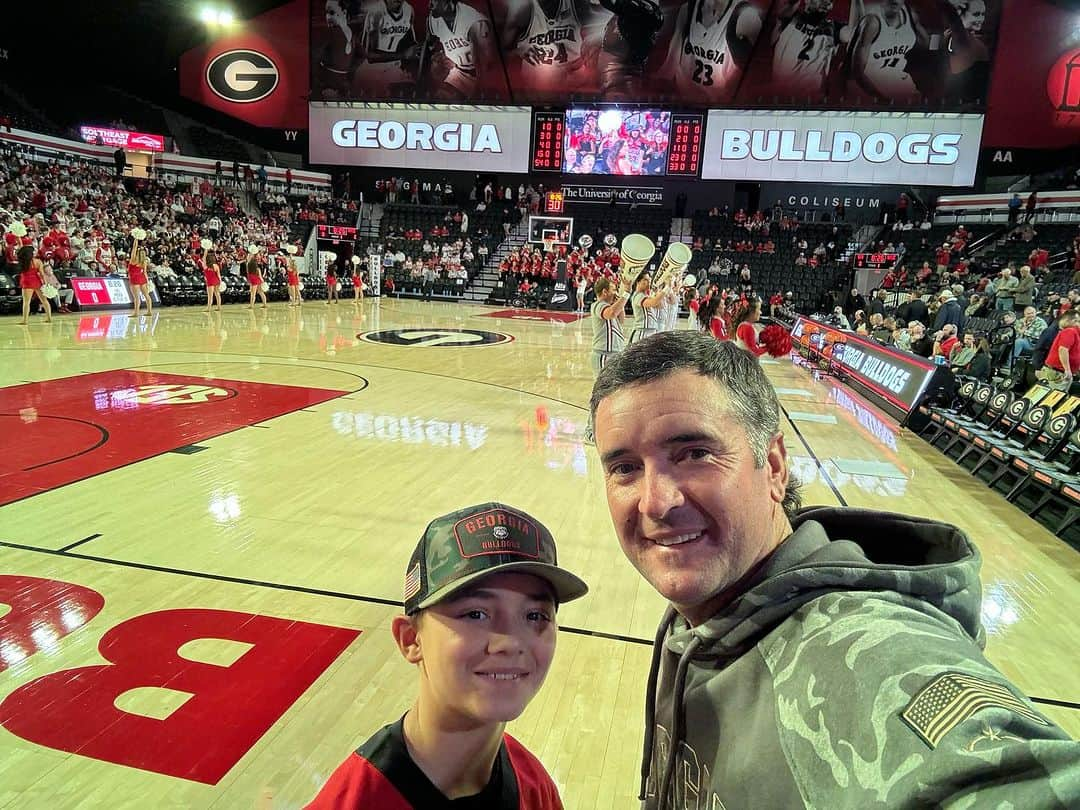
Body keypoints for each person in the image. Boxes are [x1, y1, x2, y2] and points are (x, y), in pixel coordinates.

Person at [588, 331, 1080, 810]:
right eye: (625, 468)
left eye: (694, 454)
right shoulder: (705, 602)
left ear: (775, 467)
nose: (656, 502)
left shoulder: (868, 656)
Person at [305, 502, 587, 808]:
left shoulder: (534, 786)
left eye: (534, 616)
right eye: (476, 614)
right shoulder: (353, 801)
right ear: (411, 639)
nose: (509, 642)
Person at [1037, 309, 1080, 391]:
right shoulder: (1070, 331)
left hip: (1061, 373)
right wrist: (1067, 369)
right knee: (1053, 399)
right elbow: (1063, 350)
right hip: (1058, 373)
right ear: (1074, 321)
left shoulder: (1076, 334)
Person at [16, 245, 51, 325]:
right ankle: (49, 318)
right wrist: (45, 283)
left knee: (26, 302)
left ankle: (25, 320)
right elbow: (42, 274)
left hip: (26, 281)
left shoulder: (22, 261)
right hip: (37, 281)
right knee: (44, 300)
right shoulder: (38, 261)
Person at [627, 273, 664, 345]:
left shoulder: (646, 295)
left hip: (650, 331)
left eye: (649, 280)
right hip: (642, 332)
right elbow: (653, 303)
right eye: (645, 280)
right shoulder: (638, 295)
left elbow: (660, 306)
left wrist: (657, 292)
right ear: (638, 282)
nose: (648, 282)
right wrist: (667, 288)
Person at [127, 245, 153, 318]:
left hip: (135, 279)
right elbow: (145, 272)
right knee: (147, 296)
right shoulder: (144, 262)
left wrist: (136, 240)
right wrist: (147, 282)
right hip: (143, 278)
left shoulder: (133, 260)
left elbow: (134, 248)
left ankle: (136, 313)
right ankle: (149, 311)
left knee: (136, 297)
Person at [198, 247, 223, 312]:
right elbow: (219, 276)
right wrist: (220, 282)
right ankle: (219, 307)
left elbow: (203, 258)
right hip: (217, 280)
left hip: (210, 281)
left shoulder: (205, 265)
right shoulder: (216, 265)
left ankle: (208, 308)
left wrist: (206, 250)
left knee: (210, 296)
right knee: (217, 294)